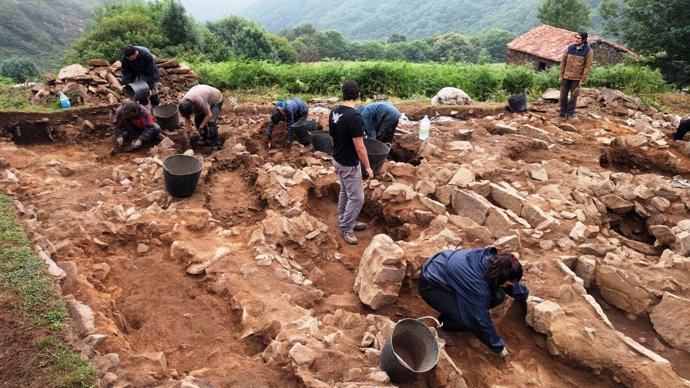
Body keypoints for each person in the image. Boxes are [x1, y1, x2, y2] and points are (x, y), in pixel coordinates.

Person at [417, 246, 529, 360]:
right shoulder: (477, 285)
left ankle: (466, 306)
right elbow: (479, 319)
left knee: (498, 295)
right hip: (431, 284)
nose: (508, 286)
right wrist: (499, 347)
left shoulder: (495, 263)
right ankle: (443, 325)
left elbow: (508, 279)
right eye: (508, 284)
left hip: (450, 275)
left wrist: (525, 295)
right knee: (466, 321)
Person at [329, 80, 374, 245]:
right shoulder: (354, 117)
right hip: (348, 163)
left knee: (345, 191)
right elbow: (360, 147)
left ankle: (345, 218)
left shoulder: (334, 112)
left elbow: (332, 138)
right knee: (357, 198)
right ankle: (346, 228)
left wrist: (337, 153)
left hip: (338, 158)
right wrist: (368, 167)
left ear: (343, 93)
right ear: (357, 94)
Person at [558, 32, 593, 120]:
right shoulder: (570, 48)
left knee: (573, 97)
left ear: (584, 40)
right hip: (566, 77)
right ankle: (562, 112)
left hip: (576, 79)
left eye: (579, 38)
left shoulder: (588, 51)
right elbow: (563, 63)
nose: (576, 40)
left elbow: (587, 67)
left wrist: (582, 80)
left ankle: (570, 114)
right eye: (576, 38)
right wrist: (561, 75)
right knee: (562, 96)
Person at [178, 85, 224, 150]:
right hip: (203, 97)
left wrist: (200, 128)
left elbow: (209, 115)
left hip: (216, 100)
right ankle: (206, 139)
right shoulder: (184, 104)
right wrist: (188, 133)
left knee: (211, 122)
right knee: (197, 121)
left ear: (193, 109)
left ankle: (214, 143)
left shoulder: (199, 102)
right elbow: (186, 117)